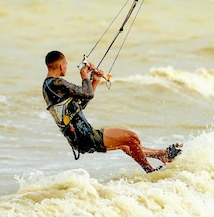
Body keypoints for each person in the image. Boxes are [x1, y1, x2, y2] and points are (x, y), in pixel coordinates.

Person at [42, 50, 181, 173]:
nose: (66, 67)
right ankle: (150, 172)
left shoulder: (48, 87)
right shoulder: (56, 83)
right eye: (65, 64)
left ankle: (161, 155)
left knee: (127, 145)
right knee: (132, 137)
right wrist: (84, 75)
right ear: (61, 65)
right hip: (85, 136)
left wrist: (94, 80)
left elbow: (80, 105)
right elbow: (87, 93)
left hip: (79, 140)